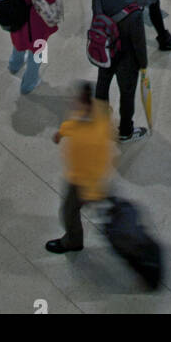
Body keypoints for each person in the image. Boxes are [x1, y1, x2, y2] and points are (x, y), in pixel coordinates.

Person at [45, 83, 115, 254]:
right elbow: (74, 124)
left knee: (69, 212)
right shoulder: (90, 113)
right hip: (79, 177)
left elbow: (99, 164)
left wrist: (90, 192)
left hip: (83, 182)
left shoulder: (94, 136)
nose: (73, 103)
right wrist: (61, 133)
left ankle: (73, 242)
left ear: (85, 103)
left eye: (77, 101)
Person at [93, 0, 149, 143]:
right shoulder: (133, 13)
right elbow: (139, 43)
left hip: (104, 51)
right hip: (125, 60)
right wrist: (143, 64)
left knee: (102, 84)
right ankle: (125, 131)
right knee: (127, 94)